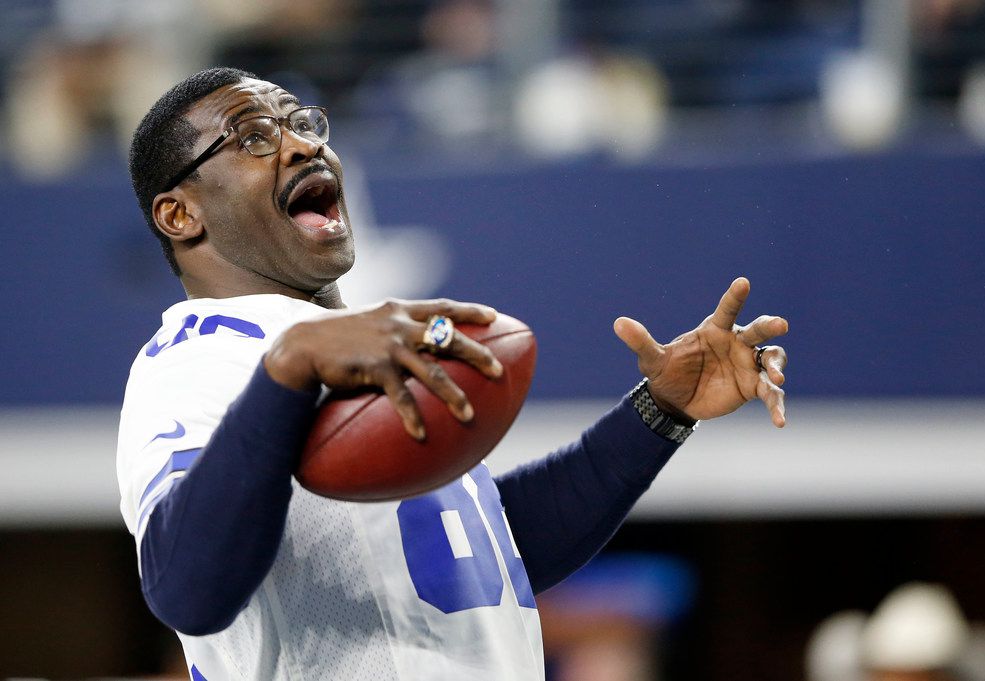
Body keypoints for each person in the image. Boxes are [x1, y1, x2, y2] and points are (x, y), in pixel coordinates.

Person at [117, 67, 789, 681]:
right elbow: (185, 587)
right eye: (255, 137)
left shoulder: (358, 339)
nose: (300, 145)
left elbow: (487, 552)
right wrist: (288, 371)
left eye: (302, 122)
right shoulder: (190, 362)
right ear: (181, 213)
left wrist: (659, 412)